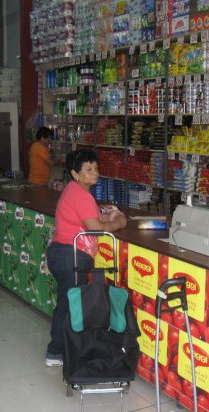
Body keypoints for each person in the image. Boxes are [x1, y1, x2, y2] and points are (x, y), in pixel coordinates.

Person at [45, 149, 127, 367]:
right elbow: (96, 228)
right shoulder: (81, 195)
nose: (95, 173)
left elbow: (88, 218)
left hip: (62, 253)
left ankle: (61, 349)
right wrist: (117, 223)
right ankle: (55, 352)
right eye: (88, 169)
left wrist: (104, 216)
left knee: (67, 302)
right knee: (68, 304)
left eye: (96, 168)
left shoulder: (75, 190)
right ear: (75, 173)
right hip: (70, 256)